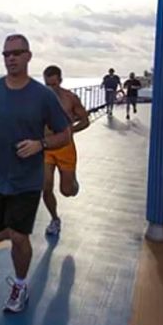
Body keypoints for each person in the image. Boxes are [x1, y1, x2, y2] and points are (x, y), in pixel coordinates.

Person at [0, 34, 71, 313]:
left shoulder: (43, 95)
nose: (10, 58)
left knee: (18, 235)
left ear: (28, 56)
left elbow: (65, 132)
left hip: (27, 179)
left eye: (16, 53)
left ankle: (21, 284)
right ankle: (16, 249)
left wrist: (41, 144)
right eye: (6, 54)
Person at [41, 65, 90, 236]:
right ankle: (54, 219)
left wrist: (69, 132)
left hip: (65, 148)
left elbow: (85, 121)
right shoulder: (38, 100)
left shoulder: (70, 98)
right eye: (47, 85)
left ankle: (73, 184)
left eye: (54, 84)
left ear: (60, 81)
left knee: (67, 191)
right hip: (46, 148)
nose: (51, 89)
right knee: (45, 186)